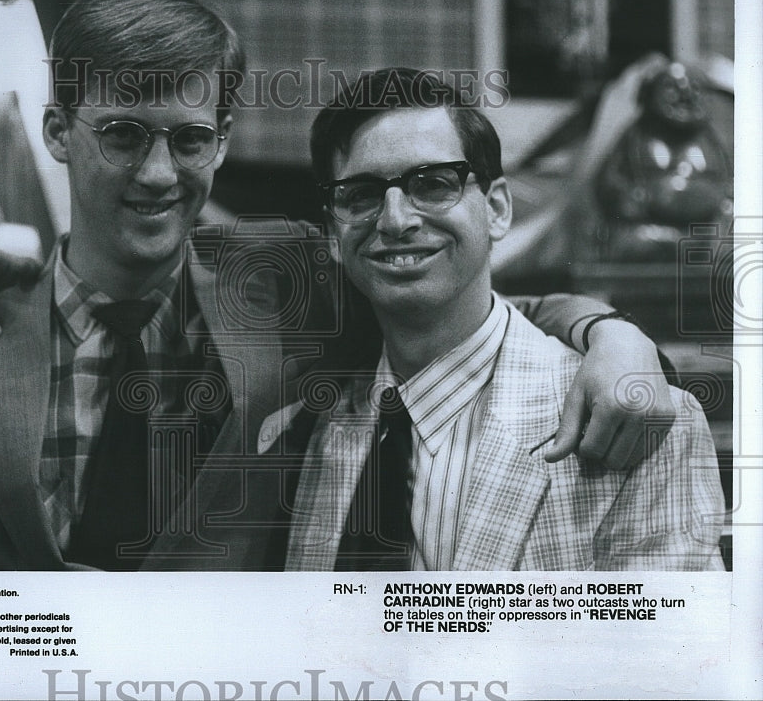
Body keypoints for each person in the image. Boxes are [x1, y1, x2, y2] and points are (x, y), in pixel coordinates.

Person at [0, 0, 676, 571]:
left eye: (188, 138)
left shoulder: (286, 286)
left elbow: (469, 300)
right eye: (122, 134)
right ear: (55, 130)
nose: (158, 174)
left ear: (221, 142)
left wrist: (614, 337)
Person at [266, 67, 724, 571]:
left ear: (498, 209)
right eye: (361, 195)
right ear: (333, 234)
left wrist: (612, 332)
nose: (395, 220)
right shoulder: (305, 426)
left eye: (434, 183)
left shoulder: (642, 418)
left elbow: (669, 645)